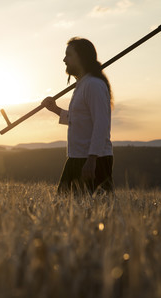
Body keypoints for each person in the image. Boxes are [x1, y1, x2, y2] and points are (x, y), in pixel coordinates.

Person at [42, 37, 114, 194]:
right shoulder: (83, 84)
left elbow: (101, 124)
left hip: (93, 160)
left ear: (81, 57)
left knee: (98, 212)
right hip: (77, 158)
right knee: (65, 210)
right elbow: (80, 120)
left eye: (68, 55)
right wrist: (55, 110)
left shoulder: (93, 85)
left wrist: (92, 159)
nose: (64, 59)